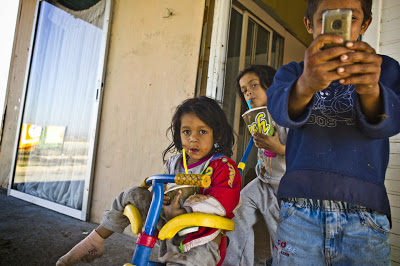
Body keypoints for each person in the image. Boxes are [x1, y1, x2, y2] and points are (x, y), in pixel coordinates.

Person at [266, 0, 400, 265]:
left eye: (350, 18)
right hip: (300, 209)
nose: (338, 28)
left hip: (365, 213)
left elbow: (392, 121)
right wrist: (304, 85)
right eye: (327, 19)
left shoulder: (383, 70)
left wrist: (371, 90)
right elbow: (280, 110)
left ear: (366, 23)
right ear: (309, 24)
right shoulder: (292, 72)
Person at [56, 96, 242, 266]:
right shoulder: (175, 162)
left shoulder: (223, 166)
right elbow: (165, 190)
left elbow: (223, 201)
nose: (193, 138)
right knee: (132, 195)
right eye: (186, 132)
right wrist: (164, 201)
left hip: (202, 240)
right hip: (169, 226)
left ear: (216, 134)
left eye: (202, 131)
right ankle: (95, 242)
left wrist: (185, 210)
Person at [222, 65, 288, 266]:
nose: (248, 92)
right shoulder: (256, 117)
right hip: (263, 182)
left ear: (271, 86)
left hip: (285, 188)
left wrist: (278, 147)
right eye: (244, 90)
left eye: (254, 85)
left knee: (282, 240)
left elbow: (303, 152)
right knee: (237, 211)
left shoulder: (286, 116)